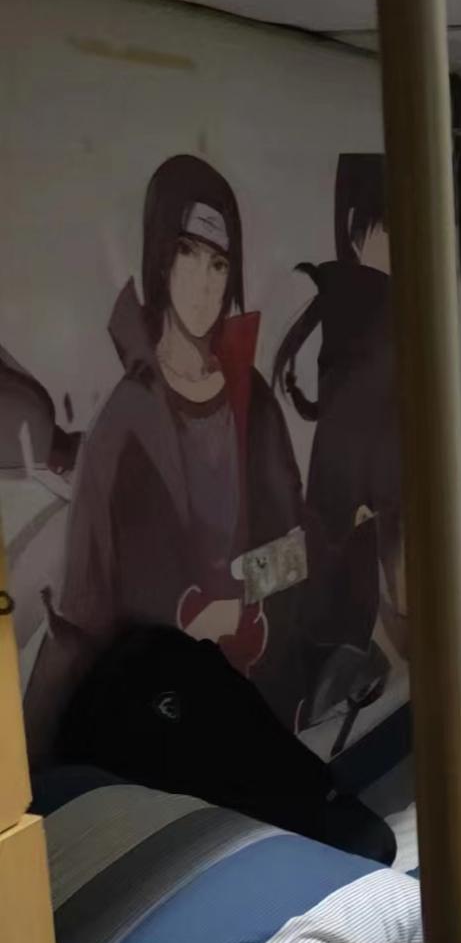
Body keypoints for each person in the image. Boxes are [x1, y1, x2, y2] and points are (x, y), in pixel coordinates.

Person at [33, 155, 304, 735]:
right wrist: (185, 615)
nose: (204, 282)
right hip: (153, 709)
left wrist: (238, 597)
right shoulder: (126, 419)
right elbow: (88, 600)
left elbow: (296, 551)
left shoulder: (253, 401)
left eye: (219, 262)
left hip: (250, 690)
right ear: (160, 257)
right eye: (187, 253)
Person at [273, 154, 405, 730]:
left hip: (348, 481)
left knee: (348, 595)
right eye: (389, 230)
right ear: (355, 230)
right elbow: (348, 407)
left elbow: (319, 392)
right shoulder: (367, 302)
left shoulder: (348, 299)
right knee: (344, 596)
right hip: (349, 480)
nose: (402, 247)